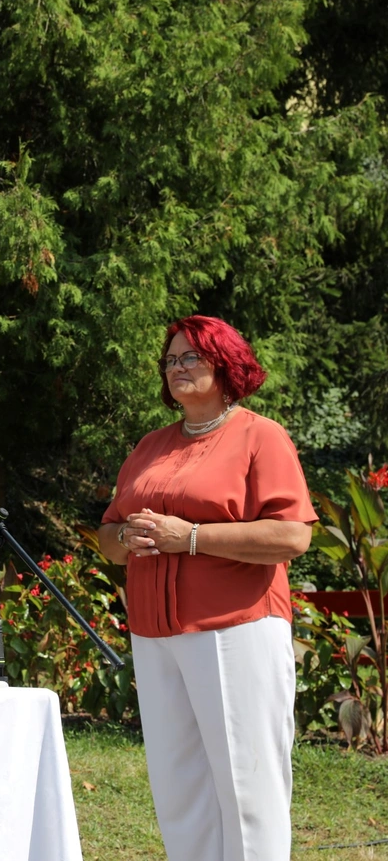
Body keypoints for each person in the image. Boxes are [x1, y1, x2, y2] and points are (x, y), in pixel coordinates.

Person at [97, 315, 315, 861]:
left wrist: (190, 537)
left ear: (225, 364)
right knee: (180, 790)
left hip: (236, 628)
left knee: (248, 790)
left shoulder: (260, 436)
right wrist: (125, 536)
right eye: (171, 360)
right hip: (154, 634)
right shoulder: (150, 446)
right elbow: (108, 537)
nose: (177, 368)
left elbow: (292, 535)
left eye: (191, 357)